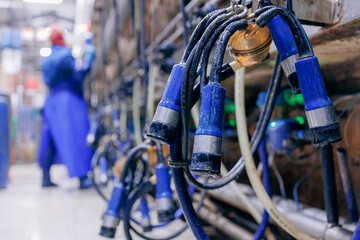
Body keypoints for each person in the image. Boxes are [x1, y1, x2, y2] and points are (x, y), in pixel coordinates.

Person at [38, 25, 95, 189]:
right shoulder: (64, 55)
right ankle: (83, 177)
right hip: (67, 100)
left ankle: (45, 177)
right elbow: (79, 75)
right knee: (75, 136)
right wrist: (89, 55)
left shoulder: (47, 58)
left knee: (50, 139)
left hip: (51, 101)